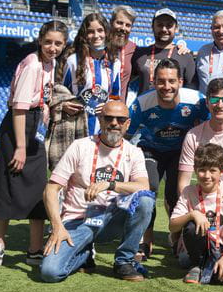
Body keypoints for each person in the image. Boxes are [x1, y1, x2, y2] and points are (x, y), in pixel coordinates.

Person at [0, 20, 69, 266]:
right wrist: (21, 147)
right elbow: (19, 109)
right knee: (7, 185)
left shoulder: (50, 63)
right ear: (39, 40)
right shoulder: (32, 64)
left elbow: (42, 97)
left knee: (38, 189)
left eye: (58, 43)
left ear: (64, 45)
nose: (52, 47)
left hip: (34, 127)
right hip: (17, 128)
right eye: (48, 42)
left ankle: (34, 249)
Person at [40, 101, 153, 282]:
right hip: (78, 221)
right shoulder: (80, 146)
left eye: (120, 119)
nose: (114, 123)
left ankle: (124, 261)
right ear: (100, 120)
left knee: (145, 201)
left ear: (128, 123)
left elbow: (143, 186)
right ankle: (84, 255)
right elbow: (51, 189)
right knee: (50, 272)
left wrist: (110, 184)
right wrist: (57, 227)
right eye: (109, 118)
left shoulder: (134, 152)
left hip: (112, 220)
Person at [127, 59, 209, 259]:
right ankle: (145, 241)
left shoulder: (197, 99)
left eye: (172, 81)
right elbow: (126, 133)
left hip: (180, 152)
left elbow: (214, 119)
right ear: (154, 82)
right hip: (150, 149)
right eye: (161, 81)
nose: (167, 87)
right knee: (148, 189)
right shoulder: (141, 103)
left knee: (175, 194)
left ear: (180, 81)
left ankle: (176, 238)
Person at [170, 143, 223, 284]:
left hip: (221, 246)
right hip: (195, 247)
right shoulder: (188, 191)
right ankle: (196, 265)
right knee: (191, 226)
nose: (207, 176)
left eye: (213, 170)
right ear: (195, 170)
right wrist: (192, 214)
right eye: (202, 170)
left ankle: (210, 263)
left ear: (222, 171)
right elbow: (172, 226)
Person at [60, 13, 122, 136]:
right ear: (84, 35)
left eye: (100, 30)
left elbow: (115, 96)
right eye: (90, 32)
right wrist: (64, 104)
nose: (96, 36)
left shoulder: (115, 63)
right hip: (76, 127)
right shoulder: (73, 61)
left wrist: (108, 105)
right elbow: (61, 93)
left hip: (103, 129)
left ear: (107, 33)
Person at [131, 8, 197, 95]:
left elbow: (191, 91)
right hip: (144, 106)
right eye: (160, 25)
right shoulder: (140, 54)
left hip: (173, 107)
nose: (164, 29)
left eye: (169, 25)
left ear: (176, 29)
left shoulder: (185, 56)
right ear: (153, 27)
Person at [109, 5, 138, 99]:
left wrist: (179, 48)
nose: (123, 28)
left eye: (128, 25)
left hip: (120, 110)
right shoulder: (99, 45)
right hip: (95, 109)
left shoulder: (134, 49)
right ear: (111, 22)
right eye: (119, 23)